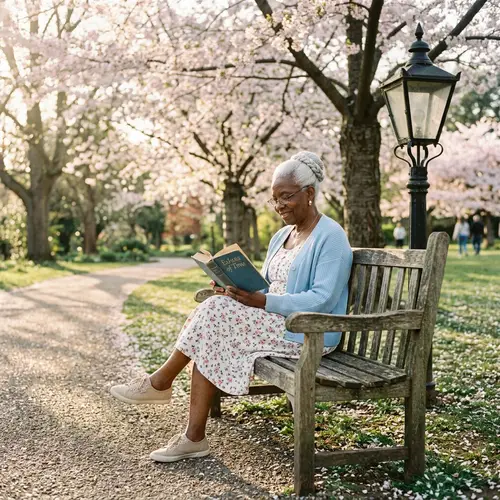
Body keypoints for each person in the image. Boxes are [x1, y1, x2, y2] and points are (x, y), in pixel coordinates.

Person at [109, 151, 353, 462]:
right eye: (275, 199)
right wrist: (234, 288)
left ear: (309, 194)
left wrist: (263, 301)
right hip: (273, 319)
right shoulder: (281, 236)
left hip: (308, 331)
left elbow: (323, 299)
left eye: (286, 197)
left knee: (216, 317)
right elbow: (267, 283)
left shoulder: (331, 236)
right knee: (217, 310)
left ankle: (163, 387)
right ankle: (190, 432)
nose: (279, 206)